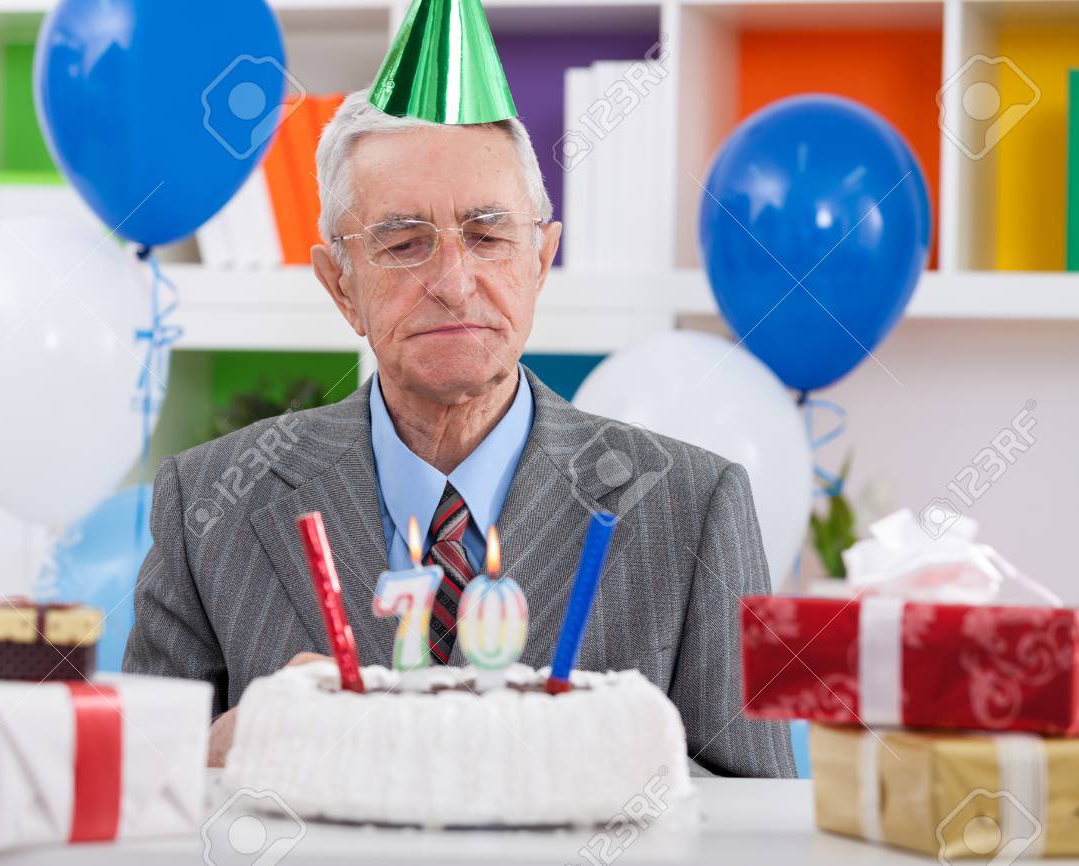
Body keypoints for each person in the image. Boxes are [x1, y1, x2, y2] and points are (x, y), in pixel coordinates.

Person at [123, 78, 795, 778]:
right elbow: (137, 799)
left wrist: (586, 754)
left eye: (487, 235)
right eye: (407, 243)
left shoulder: (692, 505)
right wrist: (212, 757)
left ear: (538, 261)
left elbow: (760, 820)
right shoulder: (209, 504)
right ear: (340, 284)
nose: (453, 279)